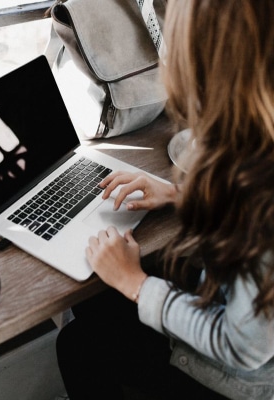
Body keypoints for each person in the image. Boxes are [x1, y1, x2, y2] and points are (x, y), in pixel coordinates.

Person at [55, 0, 274, 399]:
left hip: (239, 380)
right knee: (93, 305)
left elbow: (243, 347)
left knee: (77, 345)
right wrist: (180, 195)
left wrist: (134, 283)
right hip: (238, 317)